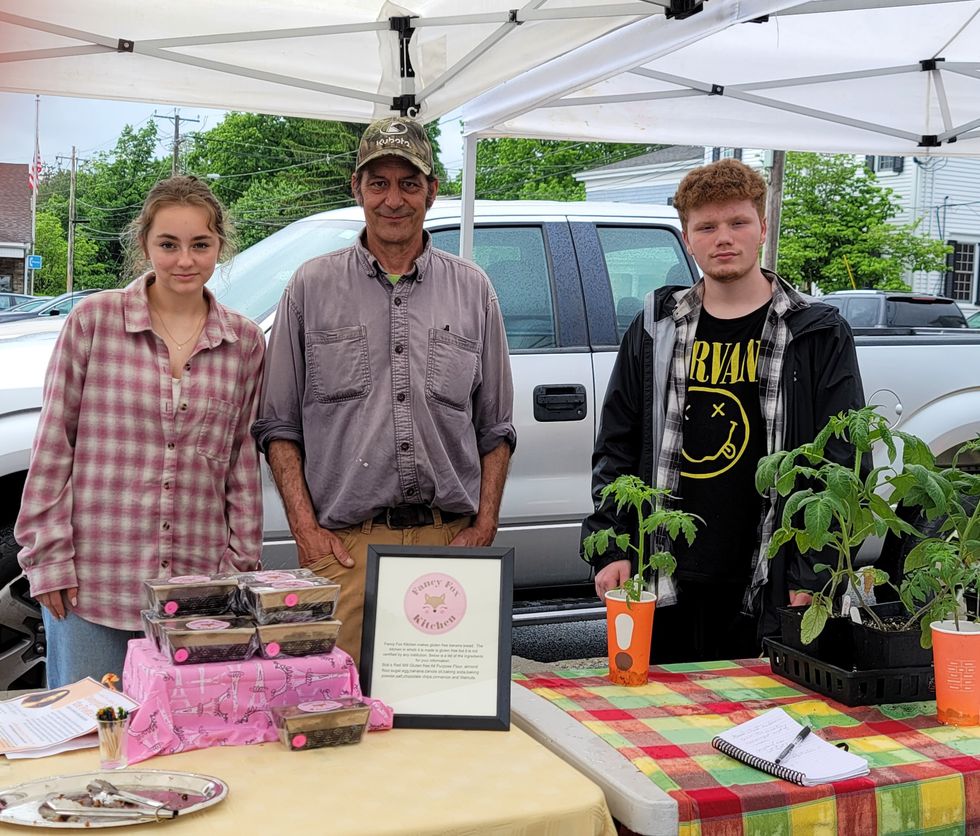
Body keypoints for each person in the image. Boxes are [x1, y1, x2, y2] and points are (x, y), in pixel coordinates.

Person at [253, 116, 516, 668]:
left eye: (408, 183)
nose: (393, 199)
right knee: (336, 721)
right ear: (357, 188)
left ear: (432, 191)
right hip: (344, 552)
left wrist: (484, 524)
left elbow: (495, 427)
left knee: (441, 719)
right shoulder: (310, 286)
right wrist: (305, 529)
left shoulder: (474, 289)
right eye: (379, 183)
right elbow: (278, 426)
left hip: (448, 550)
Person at [582, 158, 865, 663]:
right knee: (660, 722)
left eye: (737, 222)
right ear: (687, 238)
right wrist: (611, 545)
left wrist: (814, 572)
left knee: (764, 725)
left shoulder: (816, 333)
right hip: (664, 571)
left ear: (762, 227)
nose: (723, 238)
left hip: (769, 575)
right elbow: (616, 445)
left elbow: (840, 462)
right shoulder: (654, 328)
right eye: (706, 227)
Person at [16, 176, 265, 688]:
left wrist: (239, 569)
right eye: (168, 245)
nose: (184, 260)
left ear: (221, 245)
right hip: (93, 586)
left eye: (201, 244)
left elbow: (241, 463)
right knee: (89, 742)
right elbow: (52, 447)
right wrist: (47, 559)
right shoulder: (93, 322)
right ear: (144, 245)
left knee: (193, 739)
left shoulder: (243, 341)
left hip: (197, 596)